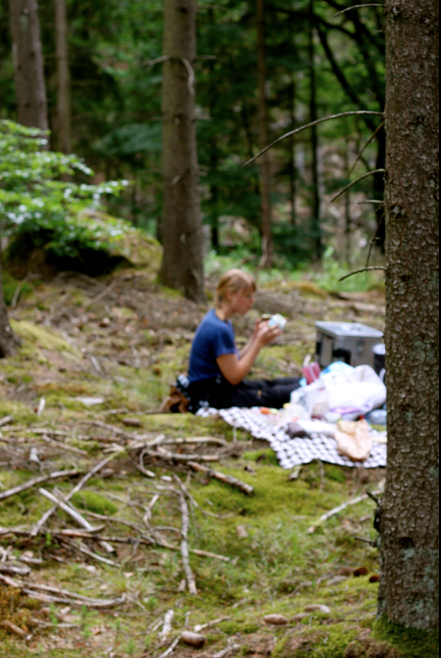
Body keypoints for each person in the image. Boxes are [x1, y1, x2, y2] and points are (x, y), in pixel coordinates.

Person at [187, 269, 301, 413]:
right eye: (247, 296)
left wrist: (255, 337)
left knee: (276, 384)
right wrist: (258, 344)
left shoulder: (220, 319)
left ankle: (308, 383)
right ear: (230, 294)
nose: (252, 300)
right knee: (277, 394)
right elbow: (234, 377)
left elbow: (233, 361)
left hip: (220, 387)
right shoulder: (219, 328)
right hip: (210, 396)